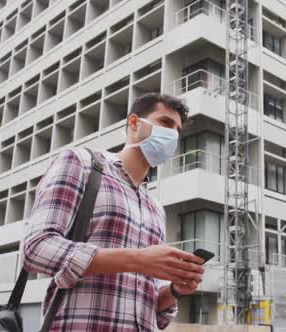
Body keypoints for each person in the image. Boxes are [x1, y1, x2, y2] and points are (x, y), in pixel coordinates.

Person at [22, 92, 205, 331]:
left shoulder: (155, 209)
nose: (172, 135)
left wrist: (174, 290)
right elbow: (36, 248)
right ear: (134, 123)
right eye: (165, 123)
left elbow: (154, 313)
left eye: (177, 131)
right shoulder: (82, 164)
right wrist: (137, 260)